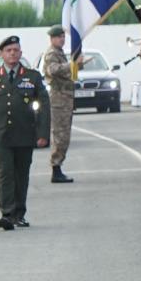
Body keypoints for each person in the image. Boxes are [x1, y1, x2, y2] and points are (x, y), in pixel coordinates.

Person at [0, 36, 50, 231]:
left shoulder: (32, 77)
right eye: (8, 50)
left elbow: (44, 107)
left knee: (21, 174)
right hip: (0, 134)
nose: (12, 53)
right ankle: (7, 213)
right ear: (1, 54)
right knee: (5, 173)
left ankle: (20, 214)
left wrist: (43, 134)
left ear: (21, 53)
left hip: (25, 133)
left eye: (16, 50)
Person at [41, 24, 81, 183]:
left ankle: (58, 167)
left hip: (65, 99)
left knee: (64, 136)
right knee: (60, 136)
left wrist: (77, 66)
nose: (62, 39)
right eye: (59, 37)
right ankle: (56, 169)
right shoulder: (51, 53)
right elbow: (53, 70)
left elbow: (68, 73)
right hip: (58, 100)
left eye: (63, 36)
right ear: (52, 38)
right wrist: (72, 64)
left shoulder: (59, 52)